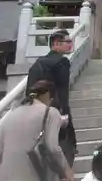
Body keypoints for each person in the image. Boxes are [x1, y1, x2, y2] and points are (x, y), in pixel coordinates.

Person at [0, 80, 74, 181]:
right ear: (48, 96)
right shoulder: (50, 113)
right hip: (31, 174)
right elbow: (52, 147)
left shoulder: (12, 114)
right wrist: (66, 169)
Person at [26, 29, 77, 166]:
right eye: (67, 41)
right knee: (63, 149)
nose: (70, 44)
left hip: (35, 113)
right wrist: (65, 115)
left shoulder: (39, 63)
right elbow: (62, 92)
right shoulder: (62, 62)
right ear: (56, 44)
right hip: (55, 113)